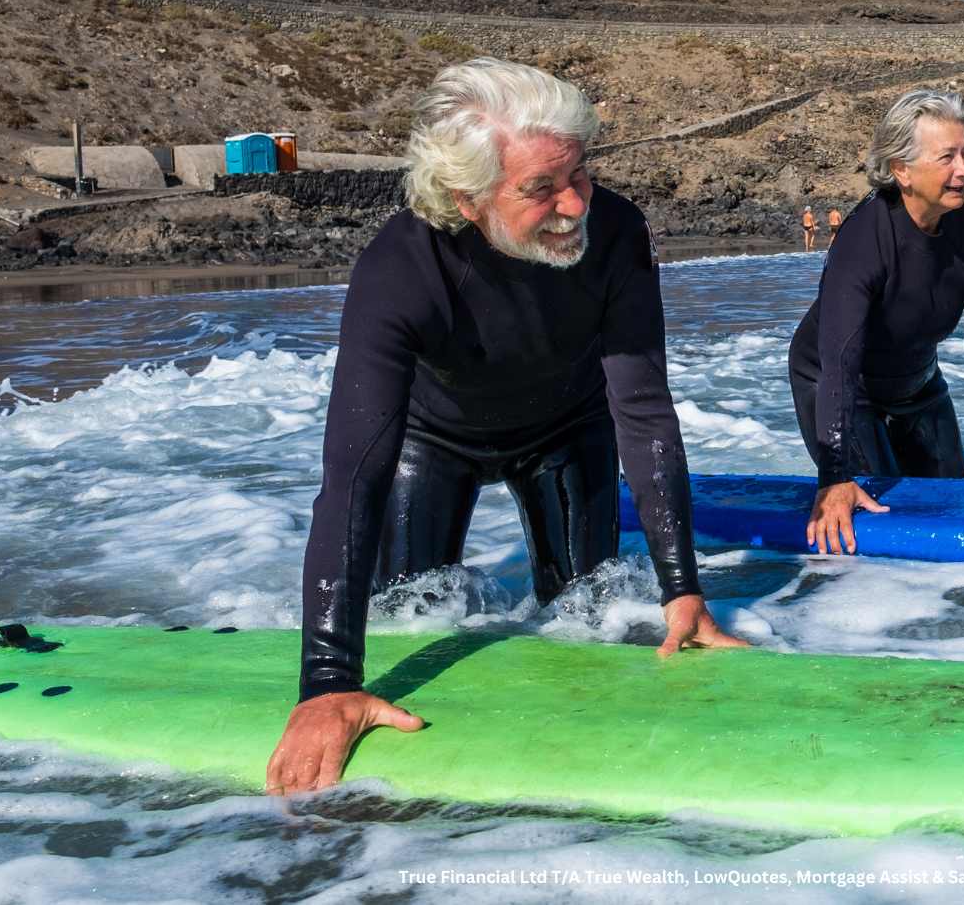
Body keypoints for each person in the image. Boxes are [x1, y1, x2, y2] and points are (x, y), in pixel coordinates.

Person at [267, 58, 745, 797]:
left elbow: (642, 408)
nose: (575, 205)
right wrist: (327, 683)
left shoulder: (617, 230)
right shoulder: (399, 270)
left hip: (568, 429)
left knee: (588, 621)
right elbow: (354, 477)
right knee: (411, 617)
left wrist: (683, 590)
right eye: (539, 189)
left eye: (578, 175)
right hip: (435, 442)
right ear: (467, 199)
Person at [787, 89, 964, 555]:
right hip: (842, 387)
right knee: (883, 529)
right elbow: (839, 362)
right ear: (901, 169)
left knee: (954, 515)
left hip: (917, 386)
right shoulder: (863, 240)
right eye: (947, 157)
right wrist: (835, 475)